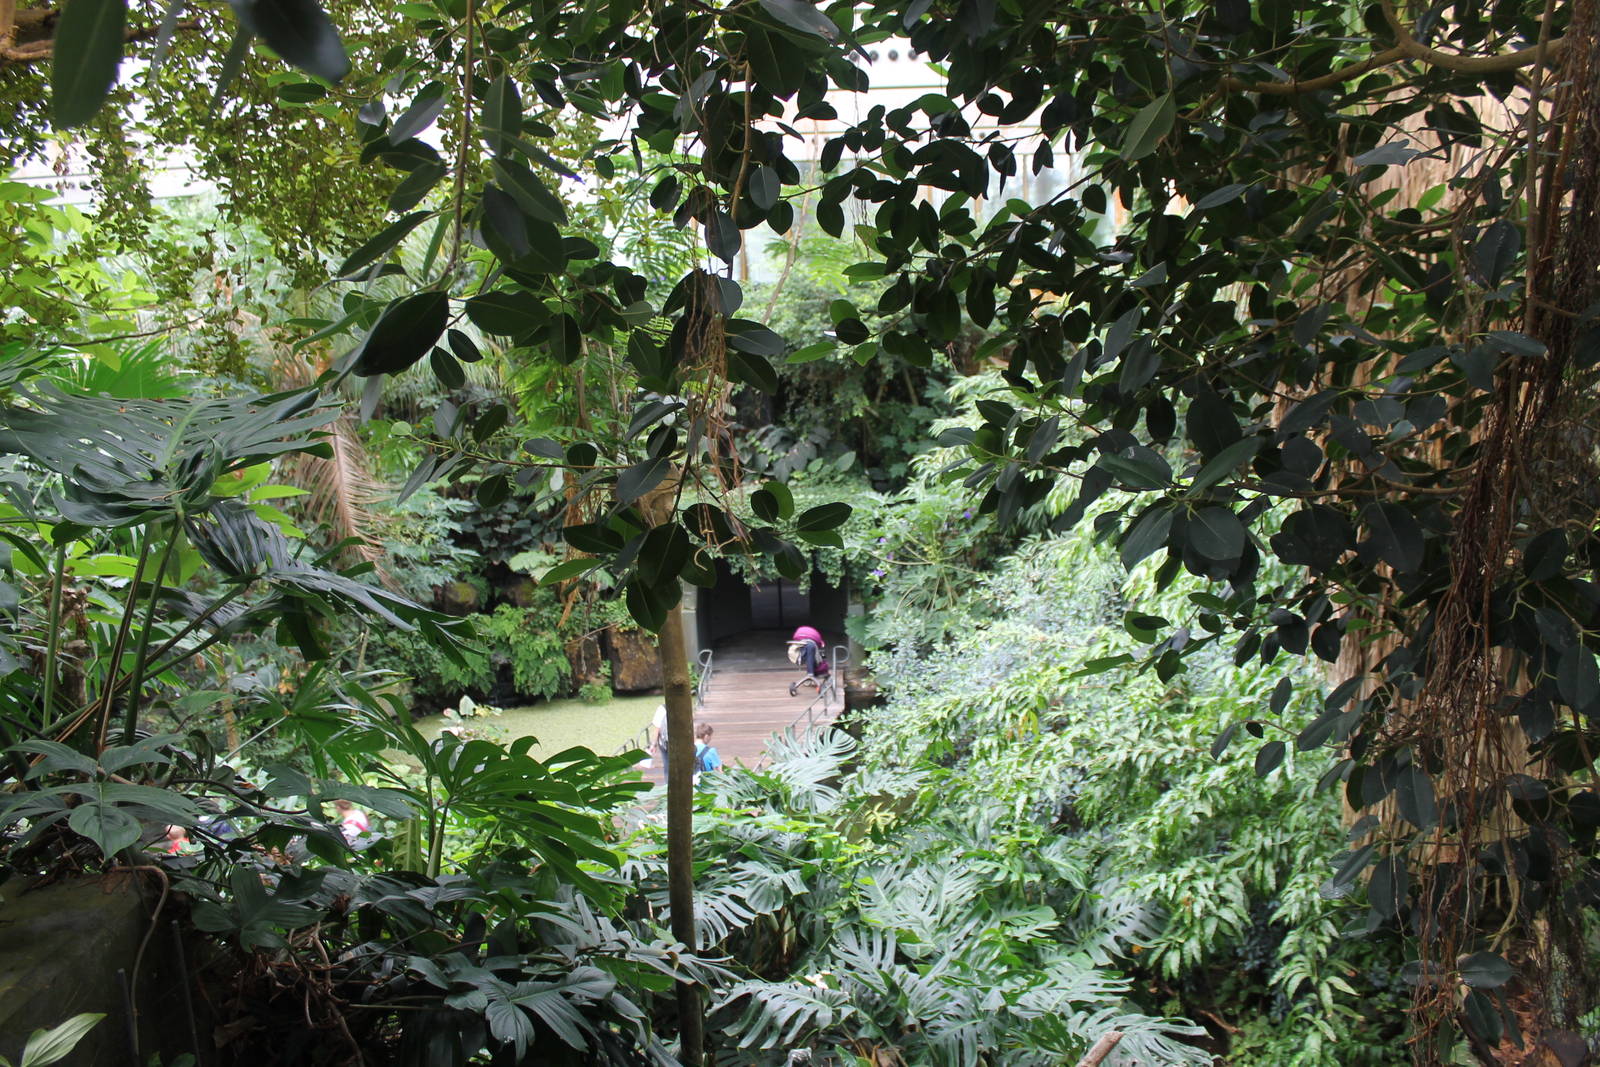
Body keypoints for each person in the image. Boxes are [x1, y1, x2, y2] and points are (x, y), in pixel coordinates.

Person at [650, 703, 669, 773]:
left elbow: (656, 729)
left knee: (667, 766)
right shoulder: (682, 706)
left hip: (665, 743)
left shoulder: (662, 708)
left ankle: (668, 778)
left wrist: (653, 744)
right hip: (680, 742)